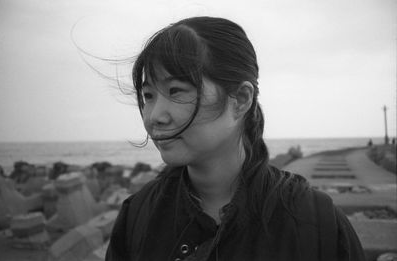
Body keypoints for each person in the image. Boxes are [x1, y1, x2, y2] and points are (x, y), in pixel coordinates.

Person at [106, 16, 365, 261]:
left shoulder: (316, 222)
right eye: (148, 95)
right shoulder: (138, 215)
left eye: (176, 91)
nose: (154, 116)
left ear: (241, 100)